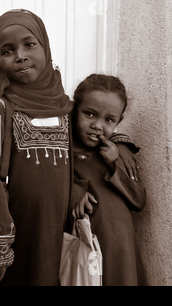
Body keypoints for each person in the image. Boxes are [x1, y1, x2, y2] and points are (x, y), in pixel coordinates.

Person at [0, 9, 139, 286]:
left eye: (29, 44)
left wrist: (121, 144)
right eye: (7, 50)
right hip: (20, 231)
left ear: (46, 47)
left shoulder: (65, 109)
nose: (20, 55)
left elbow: (91, 134)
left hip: (60, 232)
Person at [70, 74, 146, 286]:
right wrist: (73, 192)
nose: (97, 125)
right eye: (90, 114)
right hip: (87, 247)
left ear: (119, 122)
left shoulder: (113, 154)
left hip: (120, 247)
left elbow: (139, 200)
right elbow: (50, 187)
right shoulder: (63, 153)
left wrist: (114, 164)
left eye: (108, 120)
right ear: (75, 110)